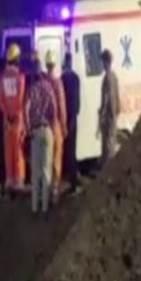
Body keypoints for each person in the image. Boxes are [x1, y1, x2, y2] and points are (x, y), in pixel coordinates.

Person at [24, 63, 56, 215]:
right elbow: (54, 108)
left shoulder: (31, 89)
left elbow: (25, 109)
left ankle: (34, 206)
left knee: (35, 171)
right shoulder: (48, 87)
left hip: (35, 132)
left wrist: (28, 128)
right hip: (47, 130)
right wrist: (53, 125)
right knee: (46, 170)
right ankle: (45, 207)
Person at [0, 43, 26, 196]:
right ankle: (19, 180)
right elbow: (21, 99)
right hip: (17, 120)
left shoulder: (2, 78)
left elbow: (0, 100)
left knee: (8, 151)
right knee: (18, 150)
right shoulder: (20, 77)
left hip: (6, 121)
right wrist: (15, 115)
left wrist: (7, 114)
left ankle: (9, 179)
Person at [44, 50, 67, 200]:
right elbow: (61, 107)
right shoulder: (57, 83)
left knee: (46, 160)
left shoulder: (42, 83)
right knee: (56, 158)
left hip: (44, 125)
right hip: (55, 125)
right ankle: (55, 190)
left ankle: (45, 191)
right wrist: (64, 127)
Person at [61, 52, 81, 194]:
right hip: (73, 117)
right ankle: (73, 180)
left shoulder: (63, 79)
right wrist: (75, 116)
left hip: (66, 117)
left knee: (68, 150)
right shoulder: (76, 78)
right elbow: (77, 101)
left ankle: (71, 179)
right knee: (72, 149)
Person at [98, 49, 120, 166]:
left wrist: (102, 115)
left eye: (103, 61)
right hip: (114, 115)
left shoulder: (107, 78)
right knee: (112, 142)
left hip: (108, 117)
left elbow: (107, 97)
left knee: (107, 146)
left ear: (106, 62)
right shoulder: (114, 76)